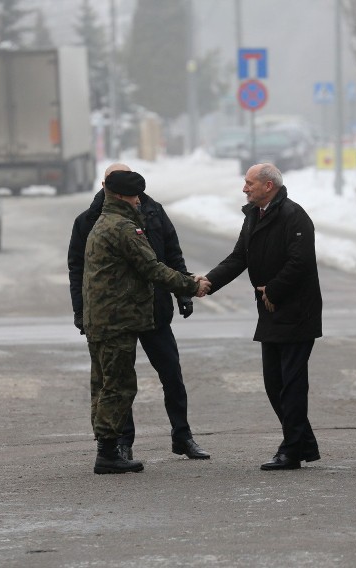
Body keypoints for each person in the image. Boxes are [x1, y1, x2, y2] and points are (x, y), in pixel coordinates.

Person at [68, 163, 211, 462]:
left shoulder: (149, 212)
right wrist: (189, 286)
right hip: (121, 316)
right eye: (133, 195)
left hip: (149, 310)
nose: (138, 200)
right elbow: (148, 267)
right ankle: (115, 447)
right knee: (117, 383)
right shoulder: (108, 223)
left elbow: (170, 250)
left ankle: (179, 436)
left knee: (165, 375)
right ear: (115, 190)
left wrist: (180, 292)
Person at [203, 163, 322, 471]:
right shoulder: (255, 215)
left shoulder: (294, 216)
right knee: (274, 383)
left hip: (296, 311)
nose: (245, 188)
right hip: (270, 310)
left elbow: (301, 261)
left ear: (268, 186)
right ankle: (301, 442)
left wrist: (274, 290)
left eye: (249, 183)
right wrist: (208, 282)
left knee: (291, 384)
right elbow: (239, 257)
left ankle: (292, 449)